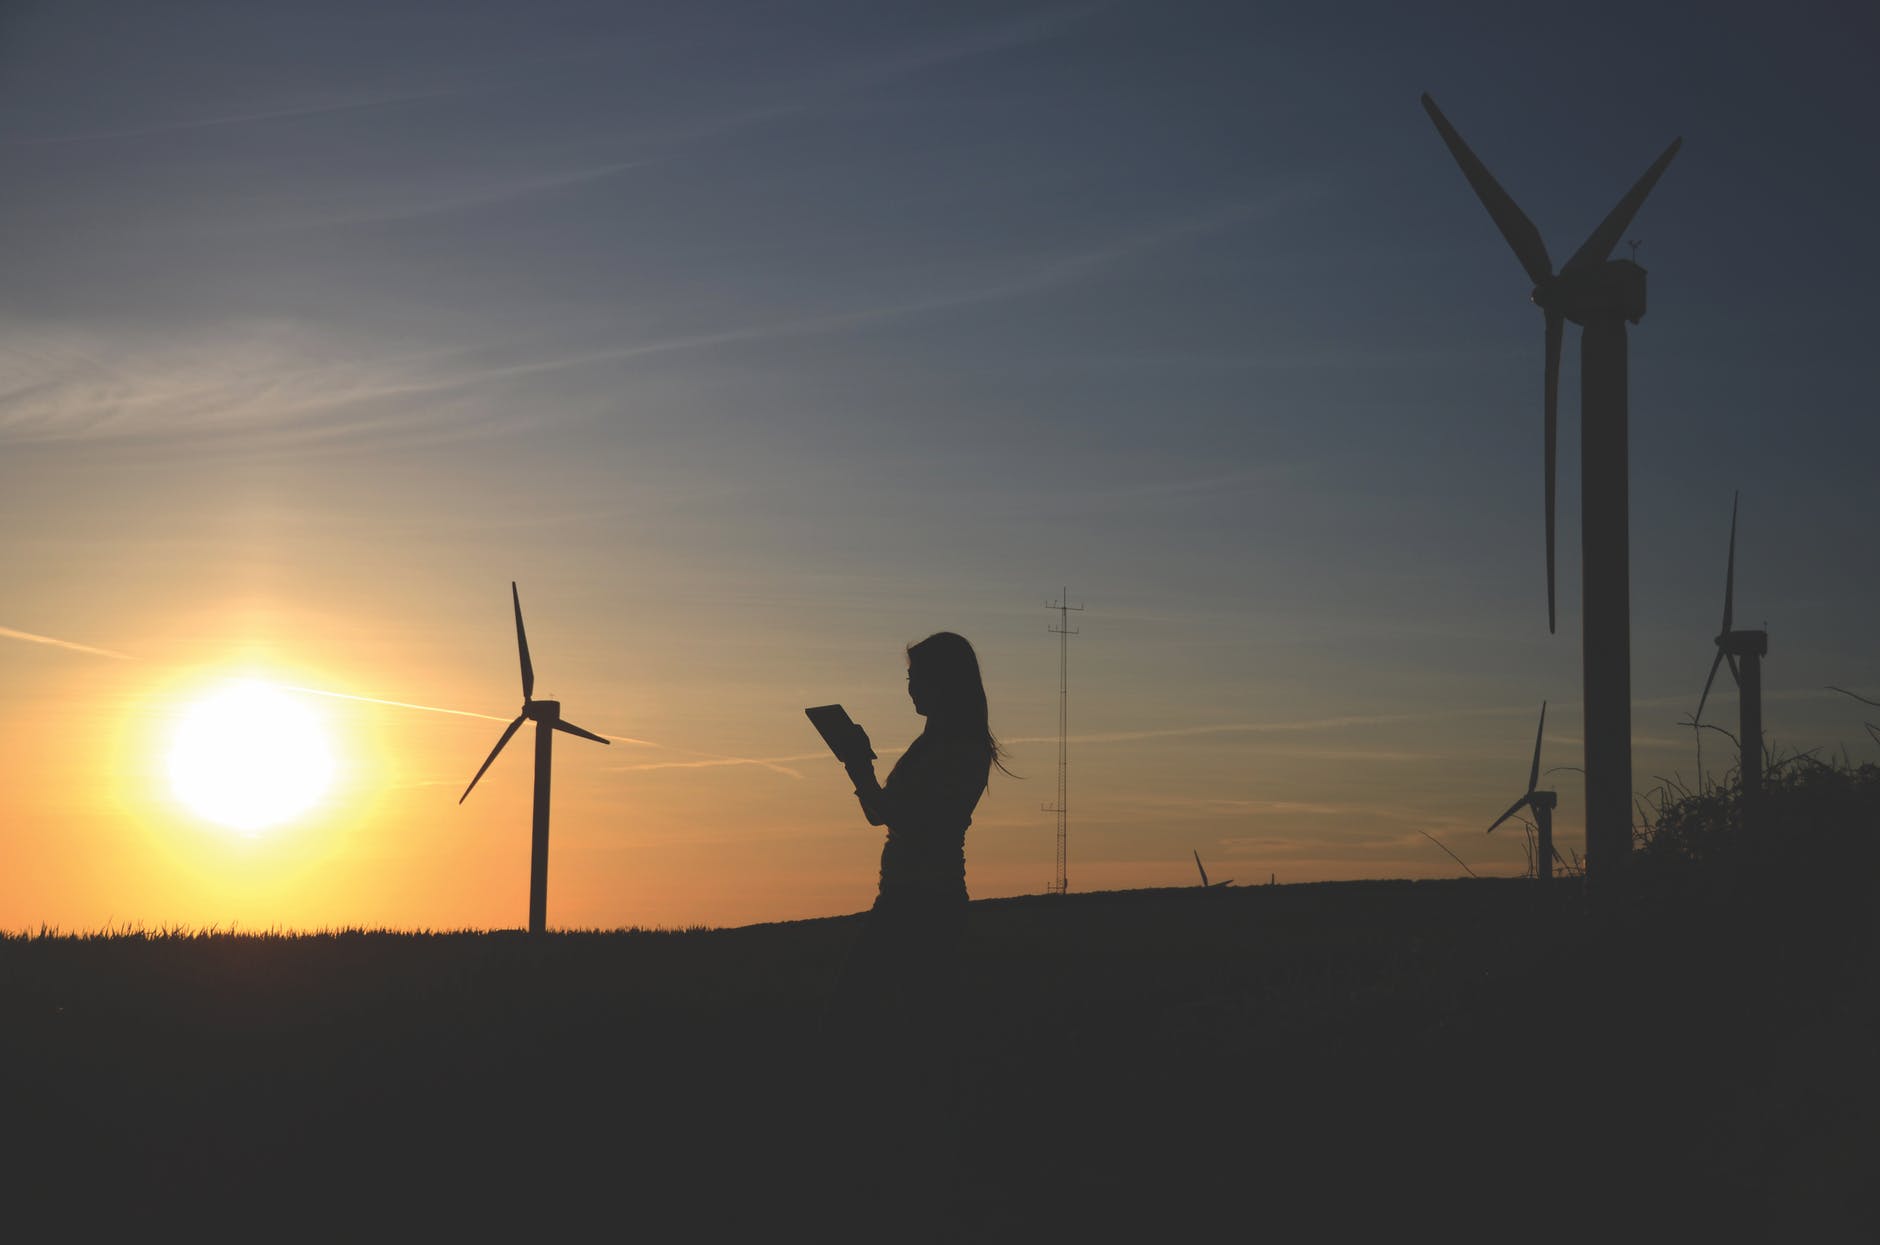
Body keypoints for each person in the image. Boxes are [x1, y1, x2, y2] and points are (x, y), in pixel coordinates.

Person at [823, 631, 1008, 1226]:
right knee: (900, 1023)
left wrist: (858, 765)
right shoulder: (933, 742)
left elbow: (903, 817)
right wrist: (859, 766)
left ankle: (921, 1161)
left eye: (917, 676)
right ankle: (914, 1145)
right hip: (903, 900)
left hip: (923, 905)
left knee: (889, 1021)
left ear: (944, 683)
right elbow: (884, 814)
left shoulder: (958, 749)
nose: (909, 686)